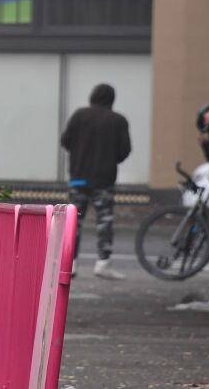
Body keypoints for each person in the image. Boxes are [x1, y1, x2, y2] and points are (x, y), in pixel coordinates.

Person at [61, 83, 131, 280]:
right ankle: (103, 263)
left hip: (78, 178)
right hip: (104, 180)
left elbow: (65, 141)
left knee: (74, 221)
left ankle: (70, 264)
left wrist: (80, 152)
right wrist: (109, 158)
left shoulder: (79, 115)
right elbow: (124, 151)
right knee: (104, 222)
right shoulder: (118, 121)